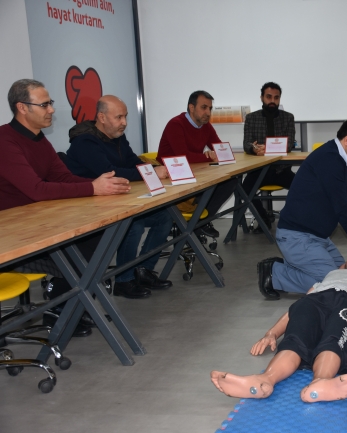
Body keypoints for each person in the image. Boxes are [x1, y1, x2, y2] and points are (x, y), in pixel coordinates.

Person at [0, 79, 130, 336]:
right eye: (44, 104)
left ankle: (66, 304)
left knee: (99, 234)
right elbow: (36, 189)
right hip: (13, 234)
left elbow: (63, 178)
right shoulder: (5, 141)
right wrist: (93, 188)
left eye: (51, 103)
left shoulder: (39, 140)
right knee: (85, 245)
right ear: (22, 108)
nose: (51, 109)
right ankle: (61, 305)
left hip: (38, 219)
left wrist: (98, 185)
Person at [210, 267, 347, 401]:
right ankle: (265, 380)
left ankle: (322, 381)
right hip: (318, 299)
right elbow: (295, 312)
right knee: (295, 338)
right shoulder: (323, 282)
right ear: (343, 268)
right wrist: (272, 334)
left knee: (334, 339)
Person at [257, 118, 347, 299]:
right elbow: (341, 206)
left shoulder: (339, 157)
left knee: (345, 273)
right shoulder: (330, 159)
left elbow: (346, 201)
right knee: (336, 285)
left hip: (317, 237)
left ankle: (291, 266)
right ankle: (275, 274)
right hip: (297, 237)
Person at [66, 95, 174, 299]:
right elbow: (111, 171)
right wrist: (147, 173)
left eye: (125, 117)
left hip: (114, 198)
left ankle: (144, 270)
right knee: (133, 224)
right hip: (87, 206)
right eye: (119, 117)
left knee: (164, 217)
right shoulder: (85, 142)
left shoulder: (117, 138)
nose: (124, 122)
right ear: (102, 117)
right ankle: (123, 281)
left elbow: (132, 161)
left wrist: (152, 168)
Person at [157, 90, 238, 237]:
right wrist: (208, 157)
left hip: (193, 171)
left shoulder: (205, 126)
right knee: (210, 188)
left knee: (231, 181)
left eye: (210, 108)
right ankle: (194, 226)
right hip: (171, 176)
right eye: (204, 107)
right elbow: (184, 157)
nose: (208, 112)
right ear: (191, 107)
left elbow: (221, 149)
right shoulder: (176, 124)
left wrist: (217, 154)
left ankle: (199, 224)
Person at [242, 82, 295, 233]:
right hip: (258, 170)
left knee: (303, 187)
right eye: (269, 97)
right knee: (244, 190)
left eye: (276, 97)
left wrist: (267, 149)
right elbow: (246, 143)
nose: (272, 101)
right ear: (262, 98)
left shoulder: (288, 118)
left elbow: (289, 144)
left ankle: (286, 218)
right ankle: (263, 219)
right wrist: (254, 149)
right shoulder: (252, 118)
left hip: (281, 170)